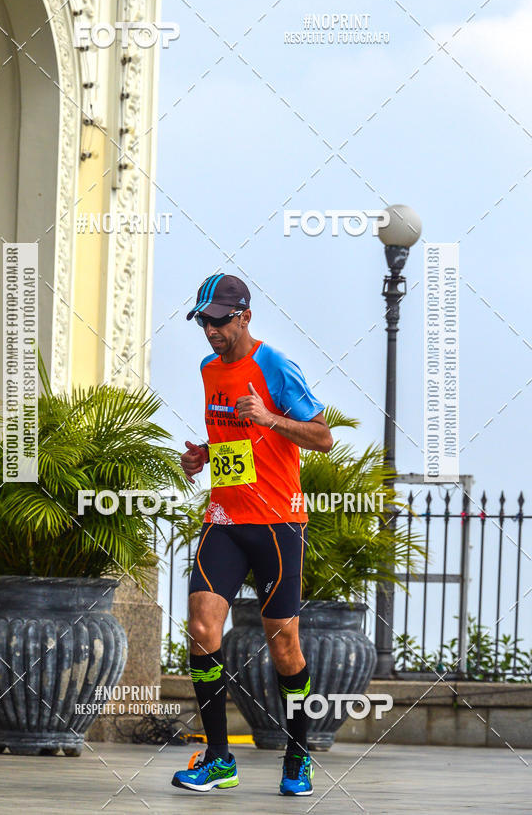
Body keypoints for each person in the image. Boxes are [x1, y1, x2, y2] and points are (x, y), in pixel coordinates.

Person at [171, 274, 332, 796]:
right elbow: (235, 446)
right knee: (201, 625)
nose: (210, 330)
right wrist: (202, 457)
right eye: (204, 320)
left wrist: (268, 417)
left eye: (218, 319)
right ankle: (219, 758)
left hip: (278, 526)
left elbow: (323, 437)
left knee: (285, 647)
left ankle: (298, 755)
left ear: (243, 317)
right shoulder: (207, 369)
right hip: (225, 518)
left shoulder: (275, 366)